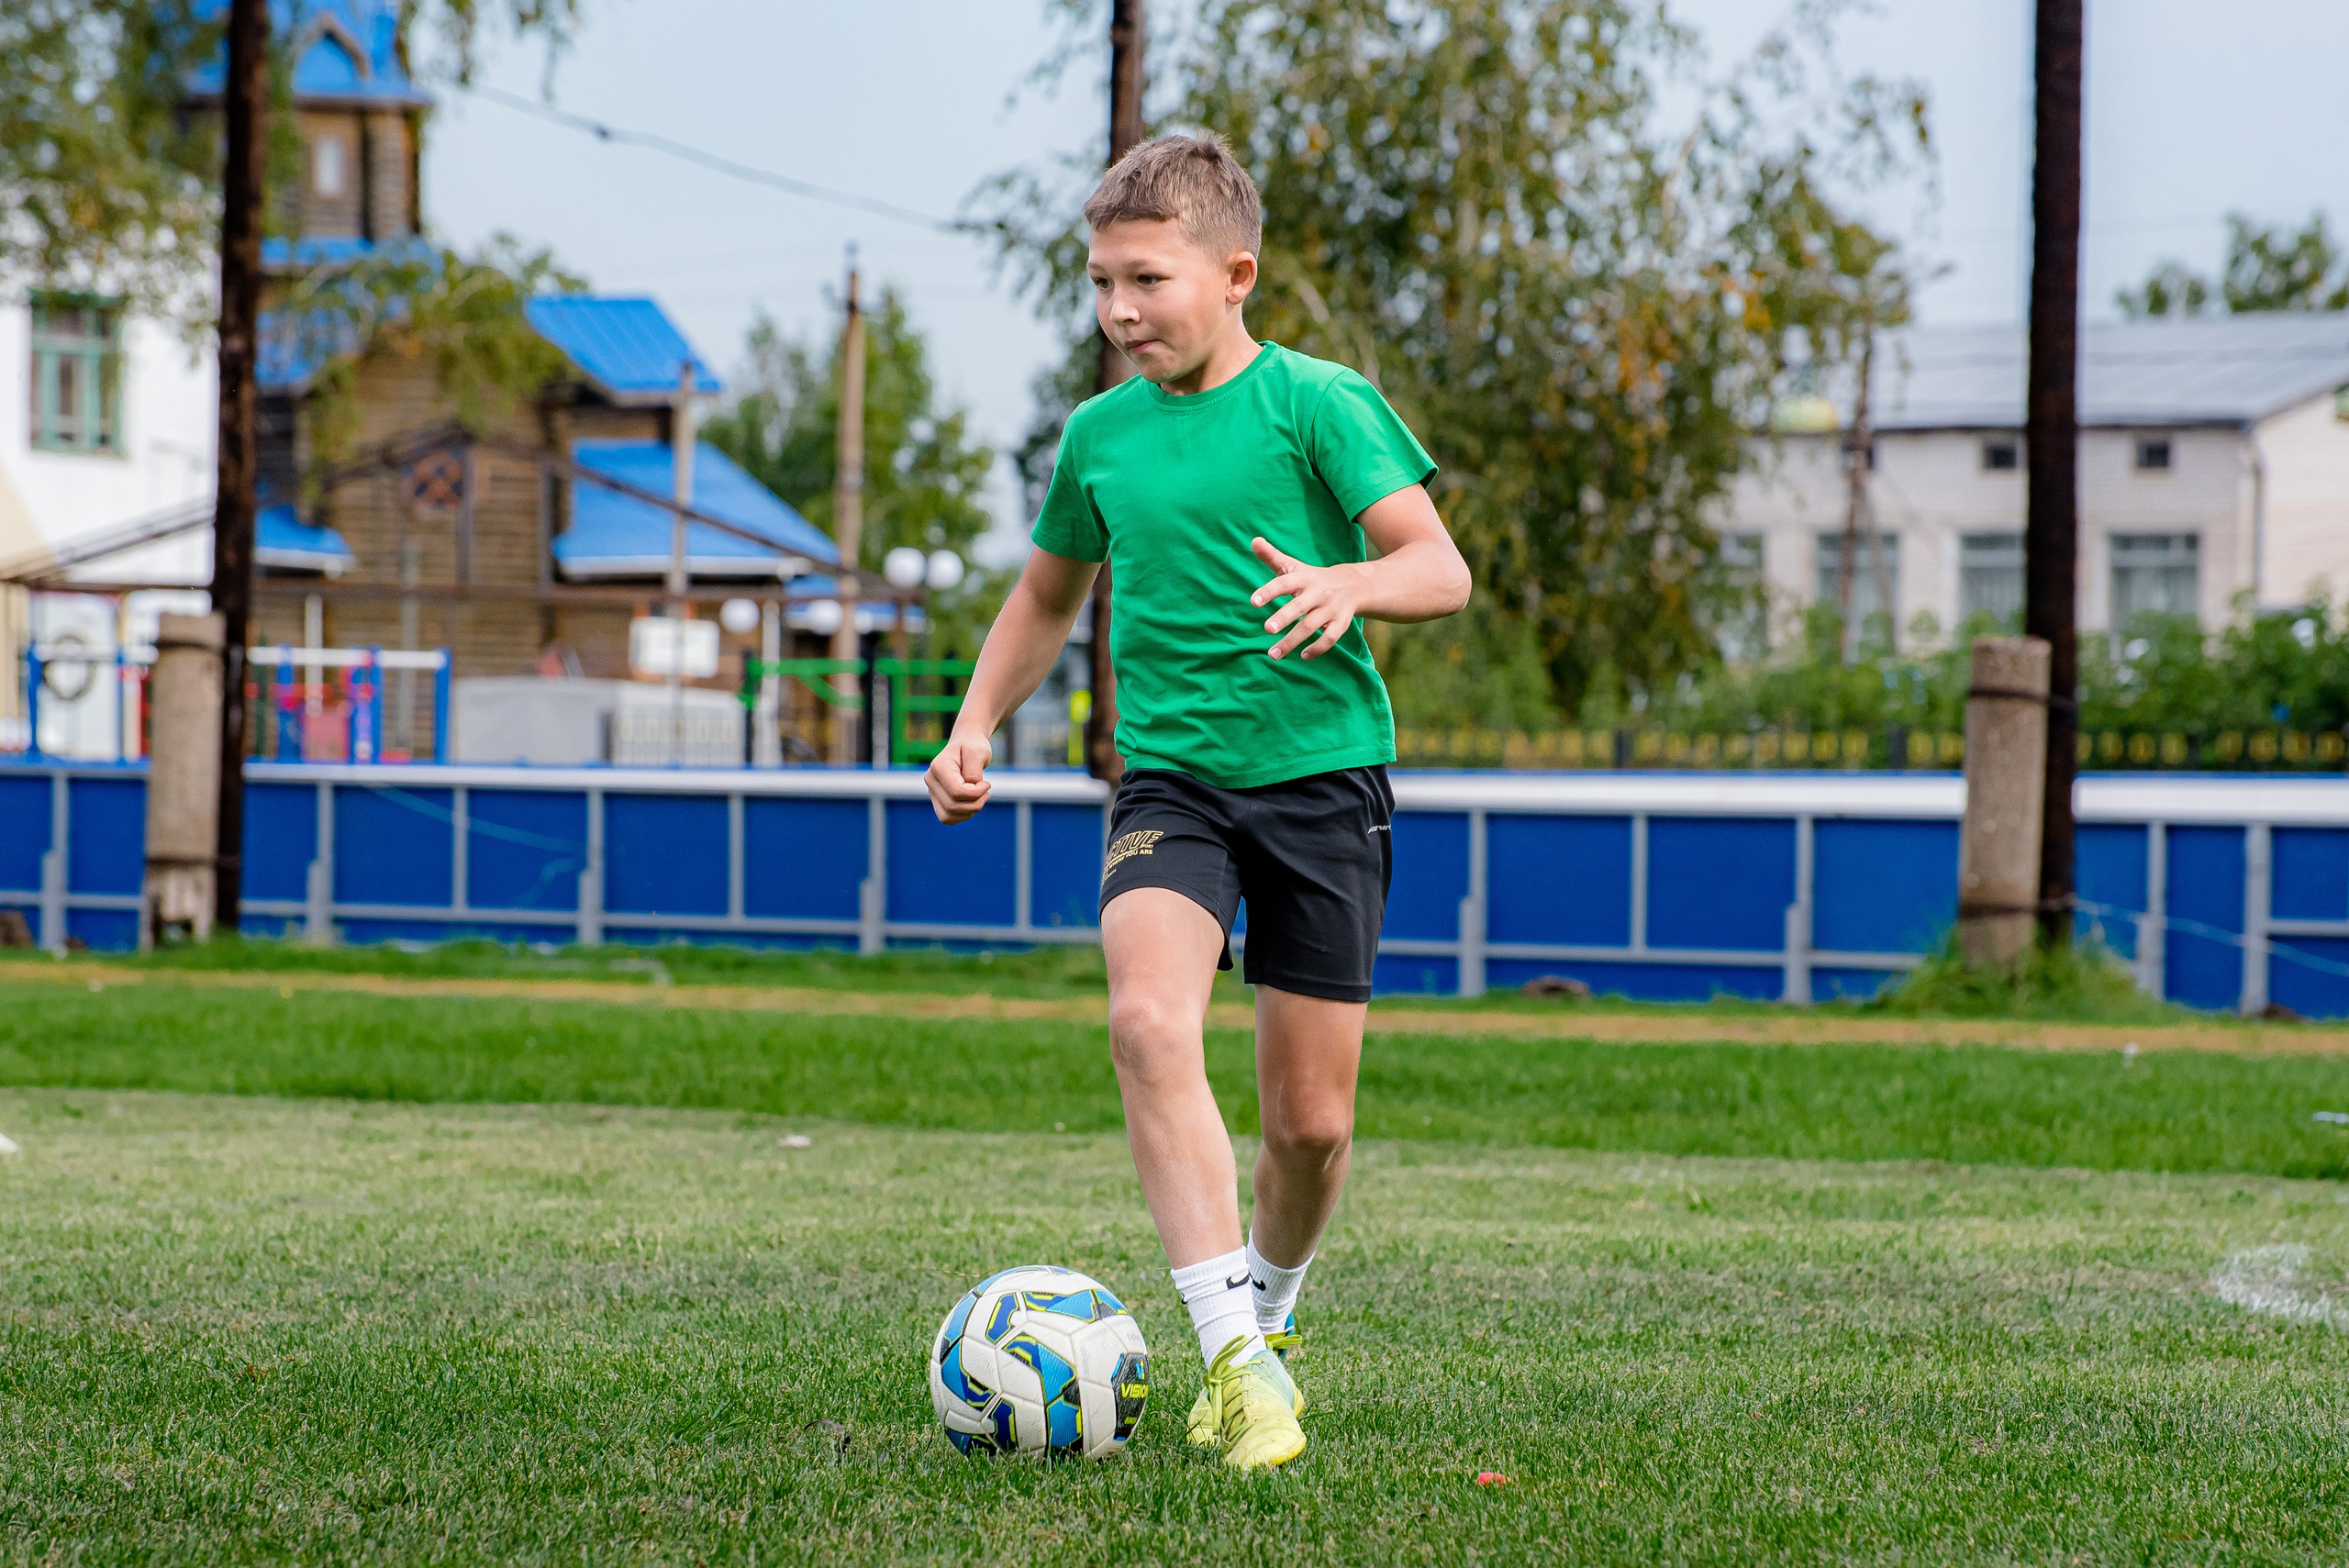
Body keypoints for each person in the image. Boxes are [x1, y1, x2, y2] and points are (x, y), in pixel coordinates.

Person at [924, 132, 1470, 1470]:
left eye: (1147, 281)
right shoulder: (1099, 437)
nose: (1118, 312)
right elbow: (1047, 593)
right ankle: (1231, 1353)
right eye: (1101, 282)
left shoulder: (1319, 405)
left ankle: (1268, 1324)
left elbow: (1437, 565)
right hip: (1172, 785)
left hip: (1327, 785)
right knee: (1148, 1020)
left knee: (1313, 1126)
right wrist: (973, 723)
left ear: (1236, 274)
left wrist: (1352, 584)